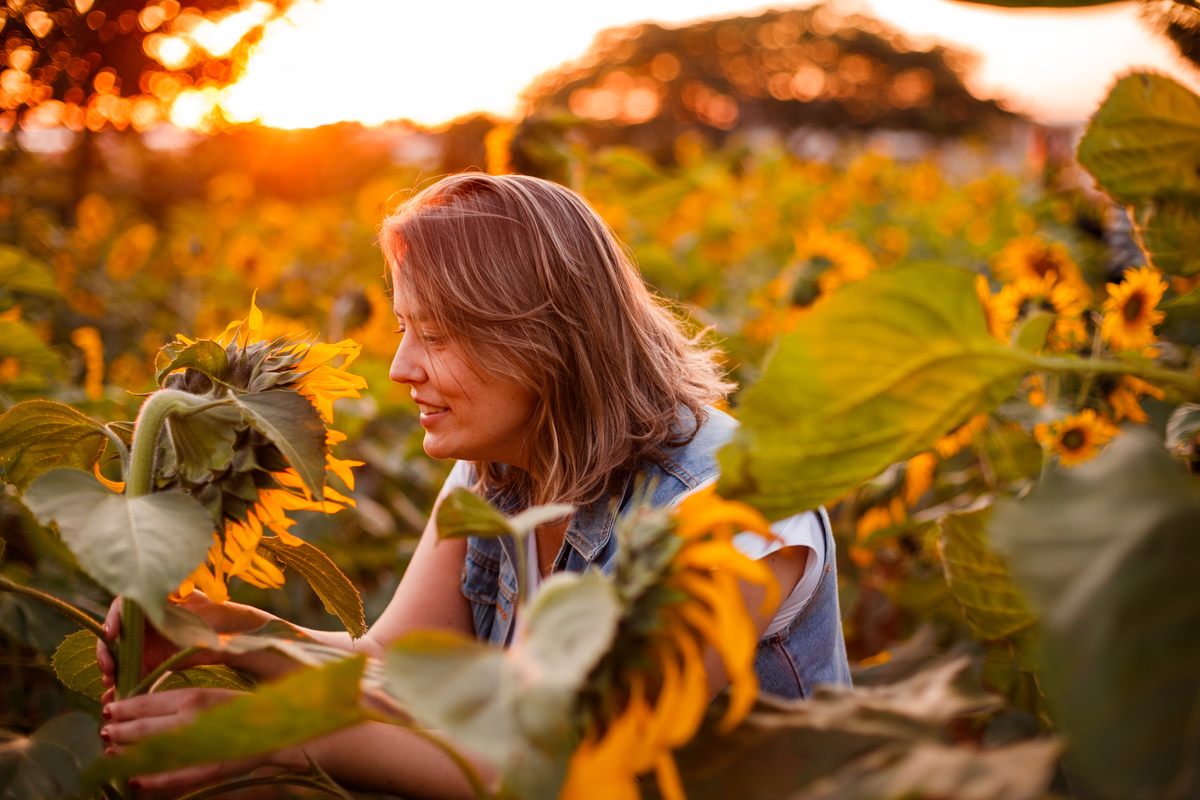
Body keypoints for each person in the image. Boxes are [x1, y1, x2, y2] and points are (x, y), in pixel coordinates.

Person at [97, 173, 852, 797]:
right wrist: (226, 631)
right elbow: (397, 668)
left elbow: (580, 763)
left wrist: (280, 733)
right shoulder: (501, 465)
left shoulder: (735, 506)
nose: (401, 368)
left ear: (543, 338)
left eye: (435, 335)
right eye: (404, 327)